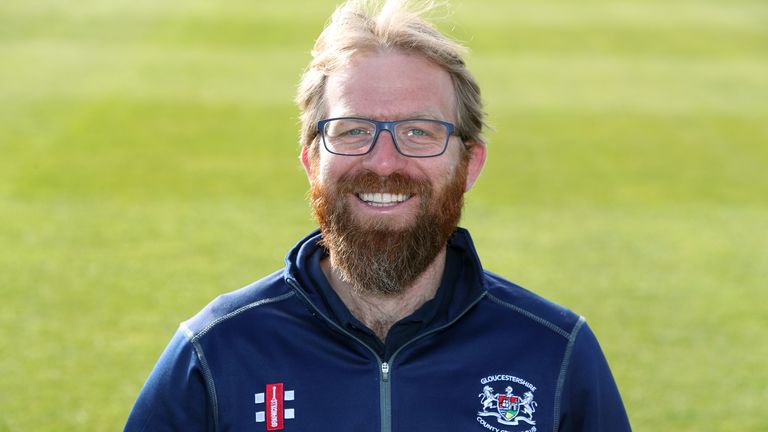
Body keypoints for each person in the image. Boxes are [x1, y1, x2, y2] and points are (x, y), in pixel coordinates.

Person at [124, 1, 631, 431]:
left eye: (419, 132)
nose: (384, 163)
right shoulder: (215, 353)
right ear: (311, 161)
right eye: (352, 131)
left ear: (470, 164)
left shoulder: (554, 352)